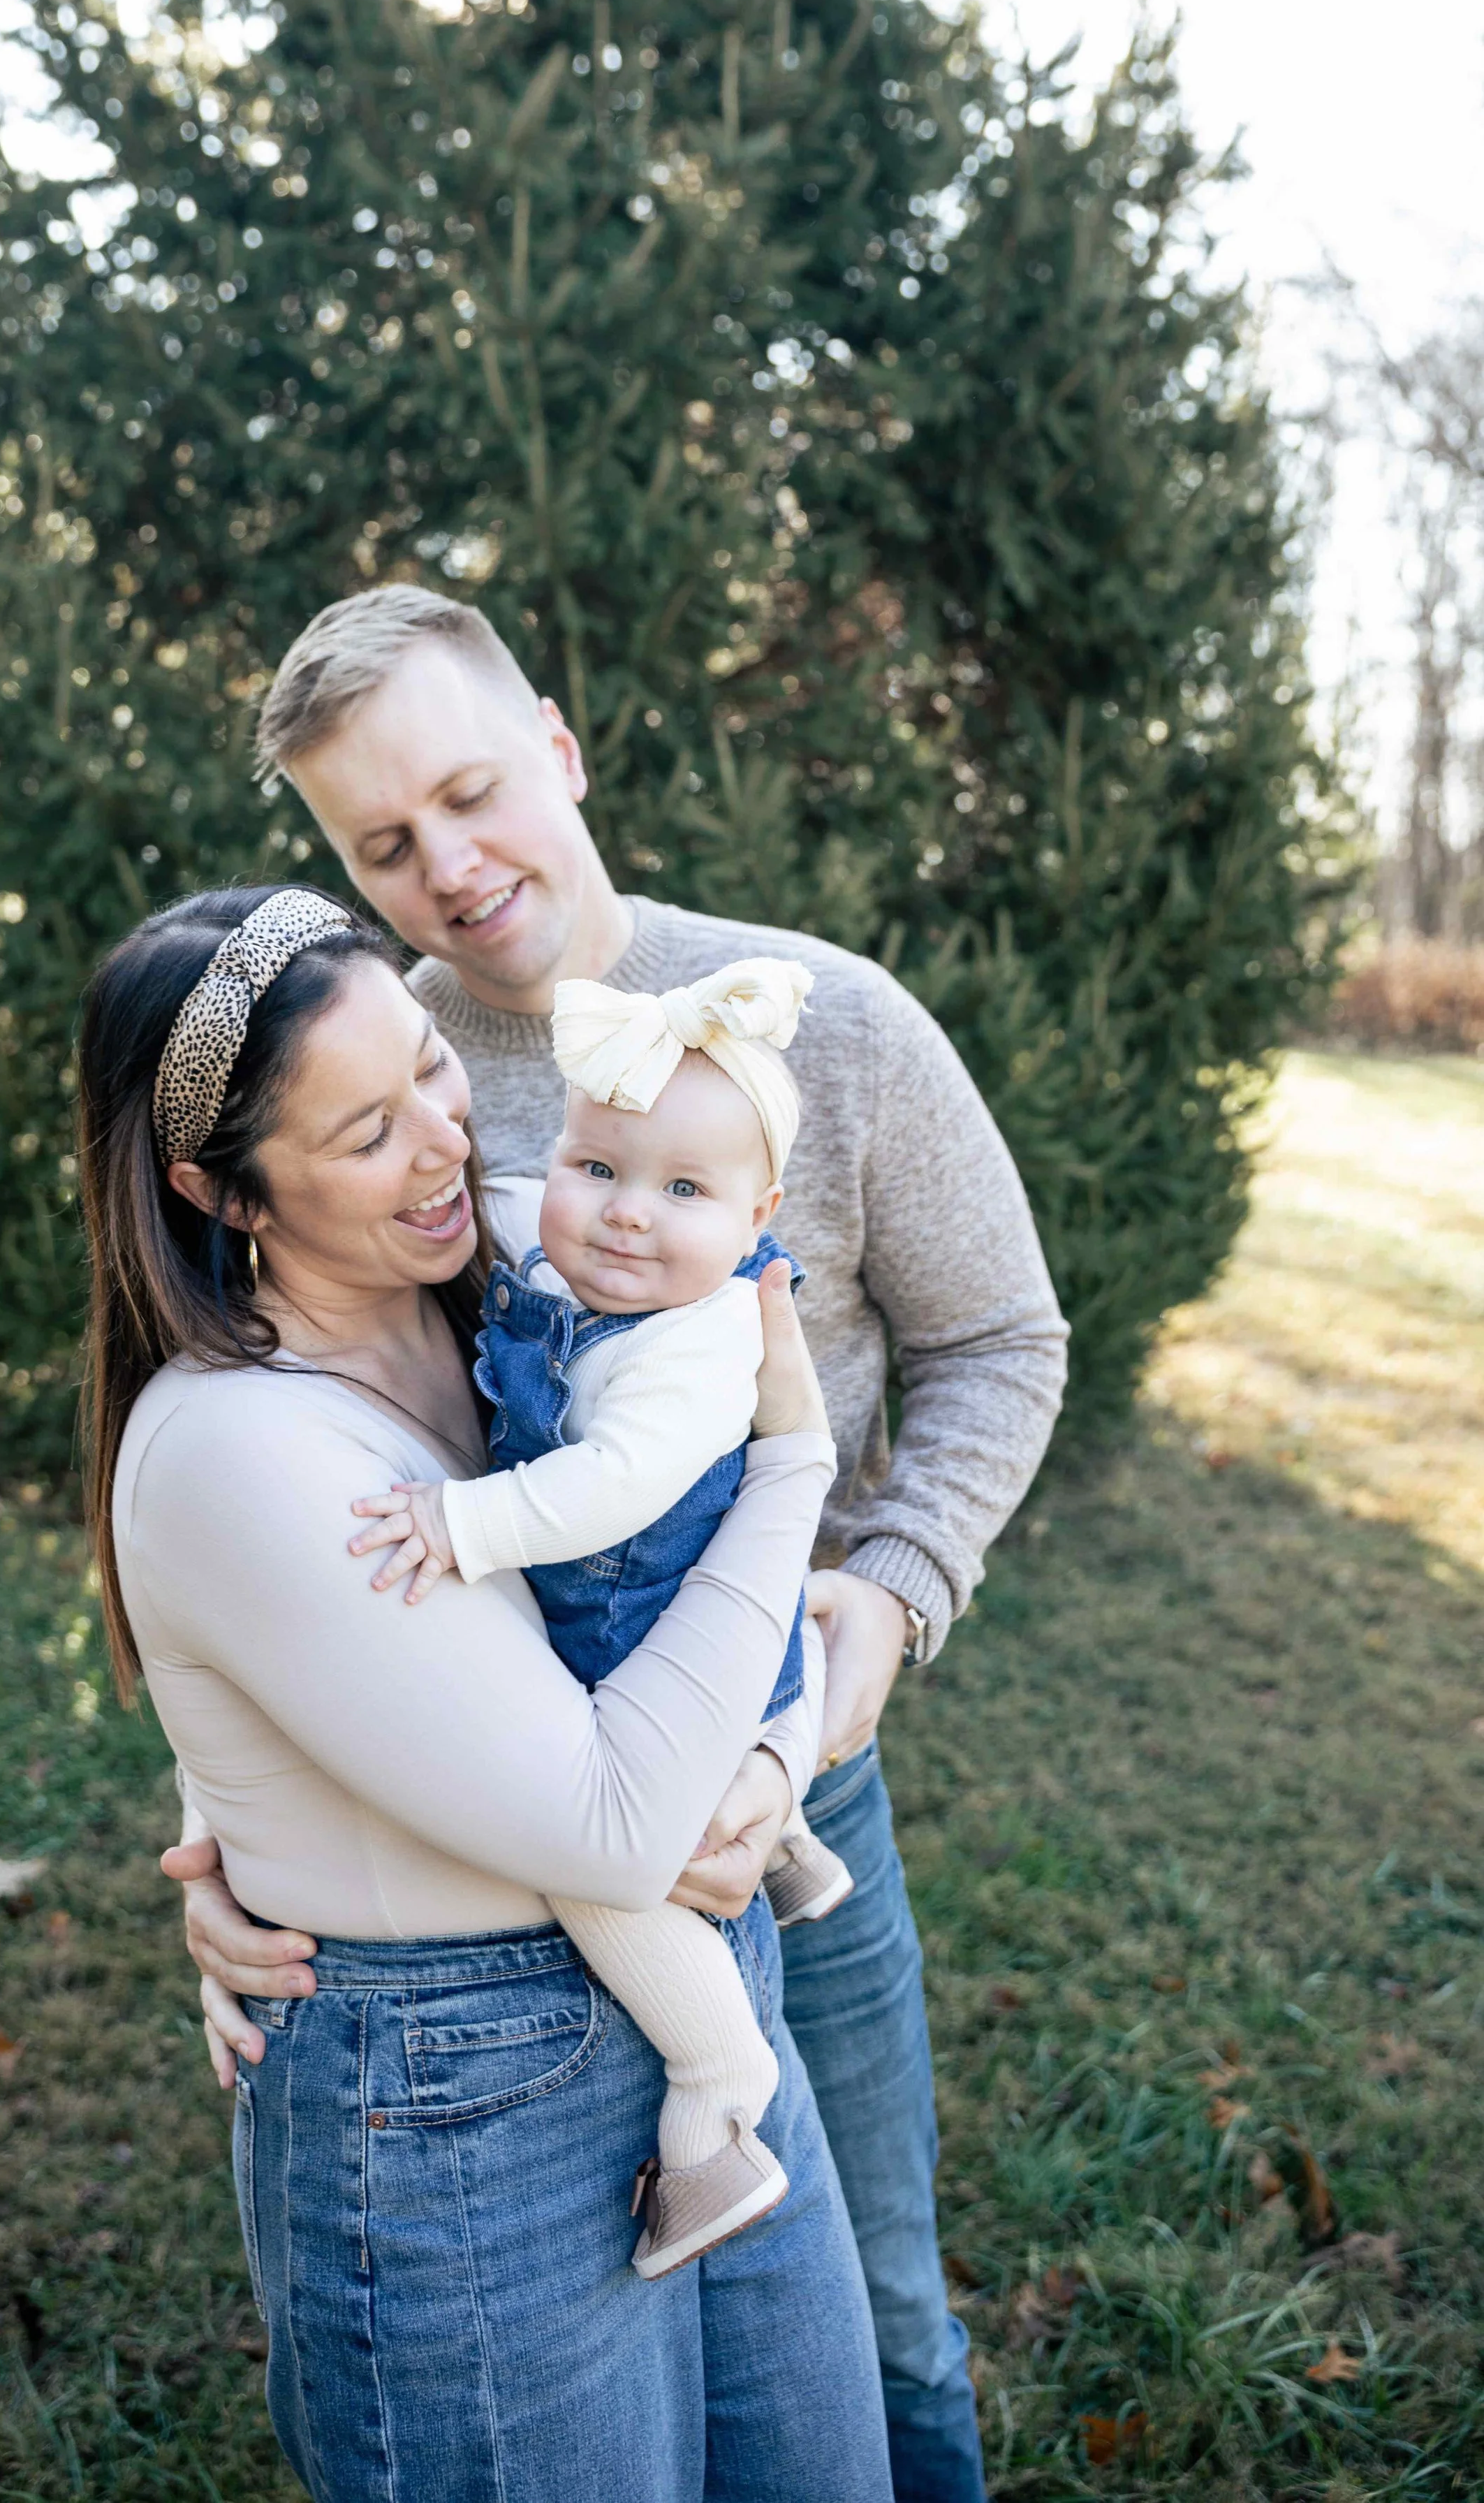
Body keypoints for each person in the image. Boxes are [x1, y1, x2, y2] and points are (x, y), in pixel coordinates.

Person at [171, 584, 1070, 2501]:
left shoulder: (818, 1024)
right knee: (655, 2356)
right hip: (508, 1825)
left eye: (473, 794)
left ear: (561, 749)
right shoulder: (363, 1083)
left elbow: (1001, 1338)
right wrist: (234, 1831)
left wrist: (881, 1602)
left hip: (791, 1774)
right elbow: (292, 1466)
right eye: (382, 844)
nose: (450, 868)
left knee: (877, 2307)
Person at [80, 883, 892, 2501]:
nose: (450, 1144)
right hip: (463, 2108)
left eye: (432, 1070)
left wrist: (769, 1759)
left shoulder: (524, 1251)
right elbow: (608, 1816)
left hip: (697, 1999)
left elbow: (708, 1615)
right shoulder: (243, 1450)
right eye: (367, 1130)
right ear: (218, 1190)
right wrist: (795, 1469)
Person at [350, 956, 855, 2279]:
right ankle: (792, 1844)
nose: (627, 1217)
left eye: (685, 1191)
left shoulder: (702, 1342)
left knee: (592, 1867)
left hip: (657, 1640)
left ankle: (712, 2074)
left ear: (760, 1215)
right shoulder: (551, 1231)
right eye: (598, 1169)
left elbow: (613, 1483)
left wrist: (464, 1524)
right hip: (688, 1629)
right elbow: (511, 1195)